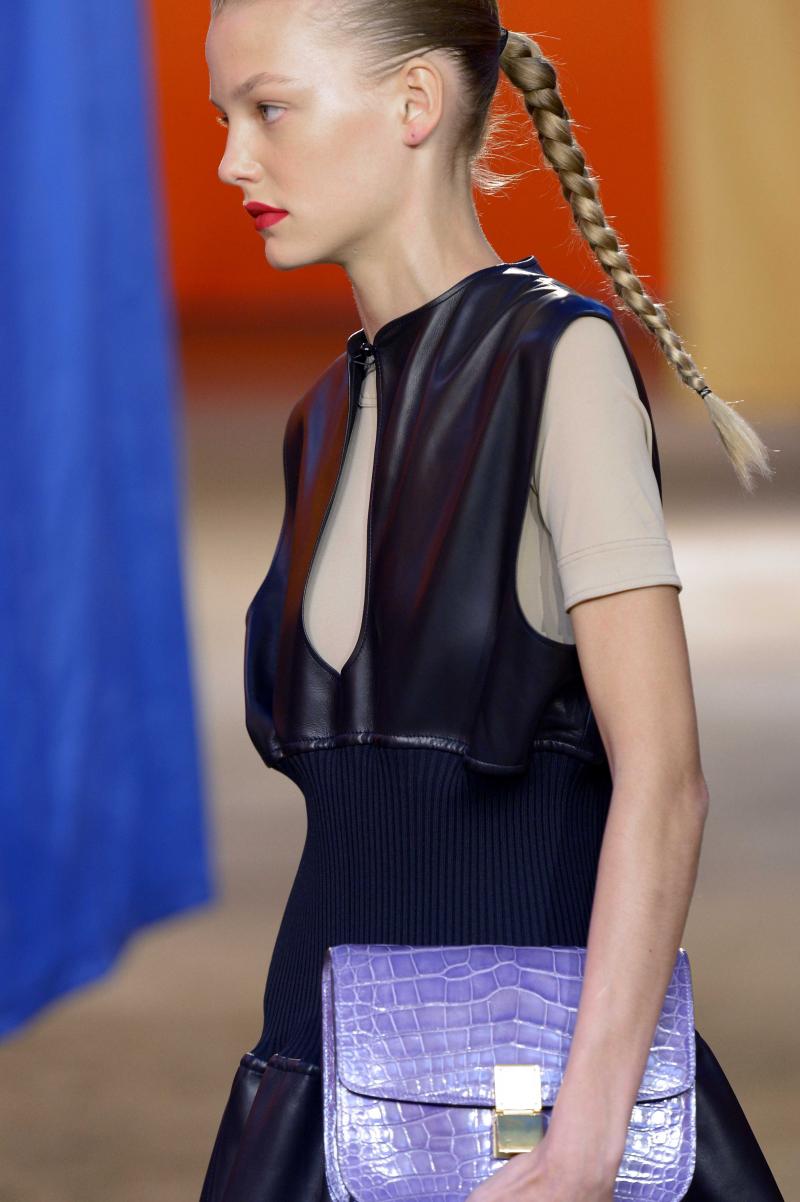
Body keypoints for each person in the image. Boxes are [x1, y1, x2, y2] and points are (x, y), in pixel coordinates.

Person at [200, 3, 784, 1201]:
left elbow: (662, 780)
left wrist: (579, 1144)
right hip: (310, 1083)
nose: (231, 161)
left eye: (268, 109)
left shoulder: (555, 365)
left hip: (522, 1101)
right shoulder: (321, 420)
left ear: (415, 104)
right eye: (223, 118)